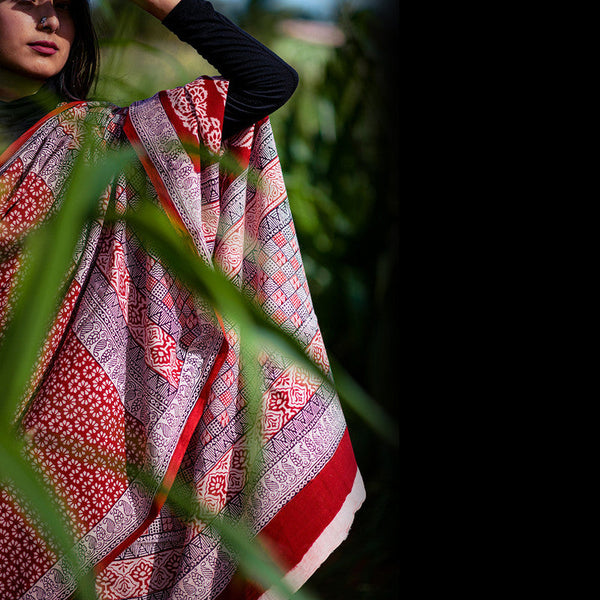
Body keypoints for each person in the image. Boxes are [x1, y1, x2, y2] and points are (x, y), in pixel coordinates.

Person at [0, 1, 365, 599]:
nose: (50, 20)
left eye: (66, 4)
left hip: (69, 458)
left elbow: (267, 80)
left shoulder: (109, 144)